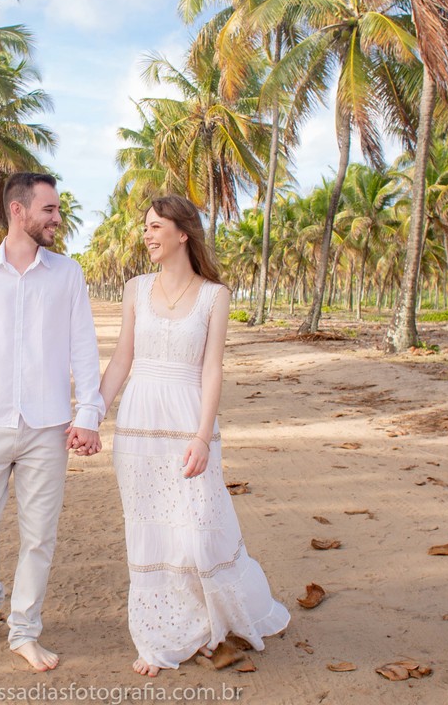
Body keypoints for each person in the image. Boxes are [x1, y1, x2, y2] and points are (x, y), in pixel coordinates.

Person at [98, 194, 290, 677]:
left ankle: (210, 618)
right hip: (139, 423)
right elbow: (123, 357)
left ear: (183, 232)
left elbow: (212, 368)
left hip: (189, 421)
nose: (146, 234)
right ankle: (163, 632)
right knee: (150, 530)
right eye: (145, 226)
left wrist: (204, 436)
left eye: (155, 225)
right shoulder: (135, 288)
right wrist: (93, 412)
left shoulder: (213, 295)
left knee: (198, 530)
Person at [0, 172, 103, 673]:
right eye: (48, 209)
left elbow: (84, 349)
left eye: (56, 210)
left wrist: (89, 413)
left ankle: (25, 629)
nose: (56, 218)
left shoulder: (68, 274)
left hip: (48, 426)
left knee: (38, 536)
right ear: (18, 211)